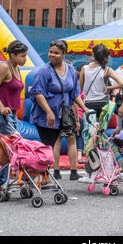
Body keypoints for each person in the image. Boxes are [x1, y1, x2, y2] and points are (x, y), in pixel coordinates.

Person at [29, 40, 88, 181]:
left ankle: (64, 173)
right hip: (47, 115)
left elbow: (74, 94)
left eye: (56, 53)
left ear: (64, 54)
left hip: (64, 114)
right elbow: (38, 93)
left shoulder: (71, 71)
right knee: (50, 143)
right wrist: (48, 111)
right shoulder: (43, 71)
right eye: (51, 52)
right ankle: (48, 174)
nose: (52, 55)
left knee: (69, 139)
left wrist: (84, 108)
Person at [0, 40, 28, 190]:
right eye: (22, 56)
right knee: (8, 147)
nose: (25, 59)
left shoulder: (16, 68)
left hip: (12, 113)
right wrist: (2, 107)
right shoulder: (4, 67)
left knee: (7, 148)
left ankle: (0, 181)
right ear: (12, 55)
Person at [78, 44, 123, 120]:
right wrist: (109, 87)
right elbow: (122, 84)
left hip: (88, 104)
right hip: (103, 104)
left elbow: (79, 90)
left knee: (90, 130)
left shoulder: (84, 68)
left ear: (93, 54)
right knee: (101, 129)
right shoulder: (107, 70)